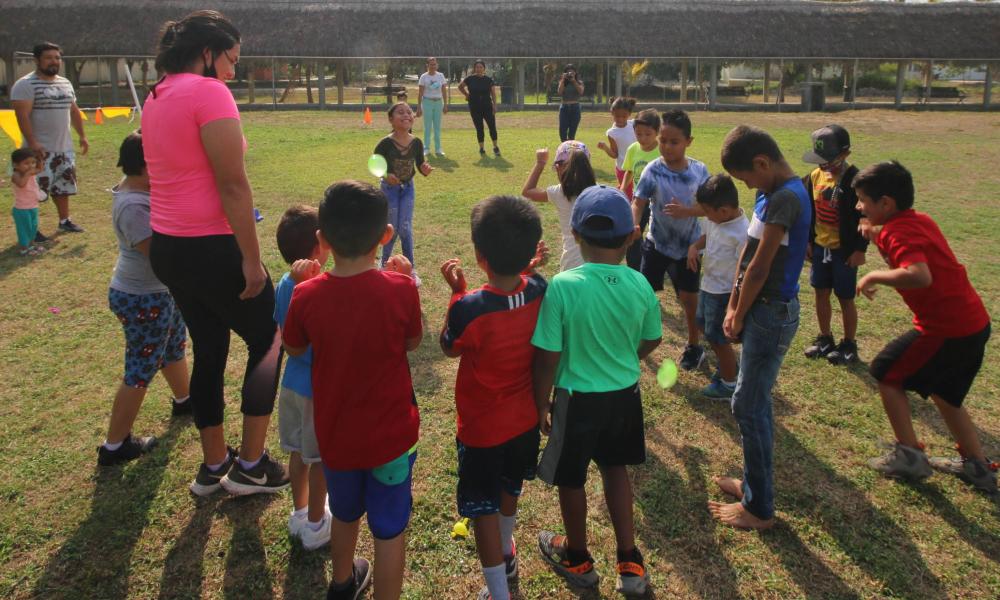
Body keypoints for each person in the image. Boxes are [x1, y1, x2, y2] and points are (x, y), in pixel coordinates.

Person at [143, 10, 288, 496]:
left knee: (209, 347)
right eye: (231, 59)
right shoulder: (208, 93)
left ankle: (213, 465)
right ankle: (251, 464)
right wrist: (251, 258)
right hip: (210, 246)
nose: (233, 70)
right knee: (269, 339)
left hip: (169, 247)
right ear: (208, 53)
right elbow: (232, 184)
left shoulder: (157, 94)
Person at [282, 180, 422, 600]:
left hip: (337, 438)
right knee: (389, 531)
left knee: (344, 514)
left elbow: (294, 347)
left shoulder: (306, 295)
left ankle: (341, 584)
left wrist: (299, 288)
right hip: (392, 439)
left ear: (322, 239)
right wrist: (403, 279)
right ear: (385, 235)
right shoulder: (401, 289)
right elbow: (412, 341)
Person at [532, 185, 662, 598]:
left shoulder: (563, 285)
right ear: (631, 237)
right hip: (624, 395)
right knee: (615, 469)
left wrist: (541, 402)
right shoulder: (640, 284)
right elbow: (653, 338)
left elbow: (548, 356)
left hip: (576, 399)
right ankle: (630, 561)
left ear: (575, 234)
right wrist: (625, 357)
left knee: (571, 479)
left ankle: (578, 557)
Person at [854, 161, 996, 494]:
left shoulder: (897, 232)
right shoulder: (918, 220)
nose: (859, 207)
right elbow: (903, 239)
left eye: (863, 200)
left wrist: (873, 275)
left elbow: (919, 274)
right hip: (974, 323)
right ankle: (977, 467)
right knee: (946, 395)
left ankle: (910, 457)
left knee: (886, 373)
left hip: (944, 329)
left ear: (886, 203)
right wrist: (874, 232)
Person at [439, 195, 547, 600]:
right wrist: (528, 269)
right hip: (525, 421)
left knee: (482, 509)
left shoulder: (470, 307)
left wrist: (456, 293)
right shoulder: (540, 288)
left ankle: (499, 592)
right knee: (510, 487)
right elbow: (523, 287)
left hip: (482, 430)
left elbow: (449, 347)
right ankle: (506, 550)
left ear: (479, 256)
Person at [709, 125, 811, 530]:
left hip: (771, 313)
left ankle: (759, 508)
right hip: (756, 308)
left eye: (746, 178)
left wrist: (738, 312)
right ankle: (753, 486)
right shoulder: (769, 193)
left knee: (748, 405)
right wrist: (733, 306)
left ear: (762, 163)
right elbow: (747, 253)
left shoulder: (787, 197)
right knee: (753, 401)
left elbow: (760, 267)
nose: (747, 186)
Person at [99, 131, 191, 466]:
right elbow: (160, 256)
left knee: (172, 347)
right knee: (141, 368)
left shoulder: (142, 191)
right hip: (142, 298)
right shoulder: (132, 206)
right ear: (146, 166)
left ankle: (185, 400)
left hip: (159, 293)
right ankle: (114, 445)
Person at [632, 109, 710, 371]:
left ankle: (694, 344)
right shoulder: (653, 170)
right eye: (663, 140)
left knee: (688, 298)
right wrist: (634, 223)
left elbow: (711, 207)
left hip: (688, 248)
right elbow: (639, 201)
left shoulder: (699, 171)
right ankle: (636, 339)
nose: (666, 147)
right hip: (656, 244)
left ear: (689, 141)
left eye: (674, 142)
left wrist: (687, 211)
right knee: (643, 294)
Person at [274, 205, 333, 550]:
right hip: (315, 388)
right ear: (317, 247)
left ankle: (299, 512)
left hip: (291, 384)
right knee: (321, 459)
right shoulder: (316, 289)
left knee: (298, 453)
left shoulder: (284, 283)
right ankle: (315, 524)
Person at [801, 125, 868, 364]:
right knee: (821, 292)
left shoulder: (855, 180)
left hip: (844, 252)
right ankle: (825, 338)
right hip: (821, 248)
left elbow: (865, 217)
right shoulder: (813, 177)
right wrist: (809, 241)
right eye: (820, 160)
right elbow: (808, 212)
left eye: (828, 160)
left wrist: (859, 249)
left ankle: (848, 344)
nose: (823, 165)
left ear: (845, 153)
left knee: (845, 297)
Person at [11, 41, 89, 235]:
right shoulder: (25, 85)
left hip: (64, 148)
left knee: (63, 187)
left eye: (57, 58)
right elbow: (22, 116)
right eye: (48, 58)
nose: (54, 61)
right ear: (37, 60)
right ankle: (32, 229)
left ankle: (65, 220)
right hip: (39, 151)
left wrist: (82, 136)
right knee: (33, 191)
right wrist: (33, 142)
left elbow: (74, 111)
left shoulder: (65, 83)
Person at [686, 174, 749, 400]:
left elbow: (744, 271)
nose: (705, 216)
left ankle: (729, 384)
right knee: (703, 324)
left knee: (718, 339)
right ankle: (729, 367)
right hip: (708, 286)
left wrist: (735, 305)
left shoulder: (742, 233)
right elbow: (706, 235)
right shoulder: (716, 219)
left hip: (723, 294)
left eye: (706, 211)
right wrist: (695, 247)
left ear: (723, 210)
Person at [373, 102, 434, 286]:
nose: (406, 115)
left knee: (405, 228)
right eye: (401, 112)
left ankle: (410, 269)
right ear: (391, 119)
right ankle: (384, 264)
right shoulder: (385, 143)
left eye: (409, 112)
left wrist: (425, 169)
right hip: (389, 189)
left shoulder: (416, 142)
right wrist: (386, 175)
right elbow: (375, 164)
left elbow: (420, 165)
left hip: (408, 189)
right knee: (391, 228)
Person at [521, 140, 596, 272]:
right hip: (599, 265)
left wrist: (540, 163)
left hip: (571, 265)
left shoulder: (559, 193)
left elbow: (527, 192)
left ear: (557, 168)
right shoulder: (600, 193)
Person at [619, 109, 661, 270]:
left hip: (658, 202)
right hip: (638, 201)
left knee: (656, 235)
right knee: (633, 233)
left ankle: (656, 263)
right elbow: (629, 171)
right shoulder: (633, 149)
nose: (643, 138)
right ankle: (634, 268)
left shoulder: (662, 151)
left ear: (657, 132)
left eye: (648, 134)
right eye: (638, 134)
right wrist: (623, 187)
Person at [458, 60, 501, 156]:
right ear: (474, 68)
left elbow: (493, 94)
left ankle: (495, 147)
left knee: (492, 127)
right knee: (479, 128)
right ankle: (481, 148)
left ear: (484, 69)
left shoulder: (489, 80)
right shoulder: (470, 79)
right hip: (474, 107)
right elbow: (460, 87)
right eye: (477, 67)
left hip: (487, 106)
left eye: (481, 67)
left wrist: (495, 105)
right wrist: (466, 95)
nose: (479, 69)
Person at [597, 97, 637, 196]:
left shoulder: (634, 124)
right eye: (617, 116)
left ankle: (614, 194)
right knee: (627, 194)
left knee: (639, 191)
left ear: (629, 114)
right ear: (612, 113)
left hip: (638, 166)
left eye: (624, 116)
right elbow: (615, 154)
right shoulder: (612, 133)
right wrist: (605, 147)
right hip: (623, 168)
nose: (620, 119)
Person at [9, 148, 46, 257]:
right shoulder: (16, 175)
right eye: (26, 163)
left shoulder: (30, 172)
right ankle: (24, 248)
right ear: (15, 165)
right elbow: (21, 184)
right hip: (21, 209)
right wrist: (29, 173)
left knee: (33, 227)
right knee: (24, 229)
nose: (30, 166)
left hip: (33, 206)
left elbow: (40, 169)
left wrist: (39, 159)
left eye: (32, 162)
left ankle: (31, 244)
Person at [416, 57, 448, 156]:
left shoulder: (441, 76)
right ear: (427, 65)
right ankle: (426, 148)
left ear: (437, 65)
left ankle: (438, 148)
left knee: (437, 126)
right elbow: (420, 93)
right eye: (431, 64)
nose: (433, 66)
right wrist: (419, 107)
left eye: (434, 64)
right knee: (427, 126)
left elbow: (444, 91)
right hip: (427, 103)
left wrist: (445, 104)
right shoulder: (424, 77)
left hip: (438, 103)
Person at [557, 64, 585, 142]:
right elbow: (559, 92)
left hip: (575, 108)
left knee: (572, 132)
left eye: (572, 72)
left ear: (575, 73)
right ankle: (564, 146)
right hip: (564, 108)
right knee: (562, 131)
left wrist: (574, 81)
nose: (570, 74)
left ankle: (570, 148)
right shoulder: (563, 82)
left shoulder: (579, 82)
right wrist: (563, 79)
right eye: (568, 72)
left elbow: (581, 91)